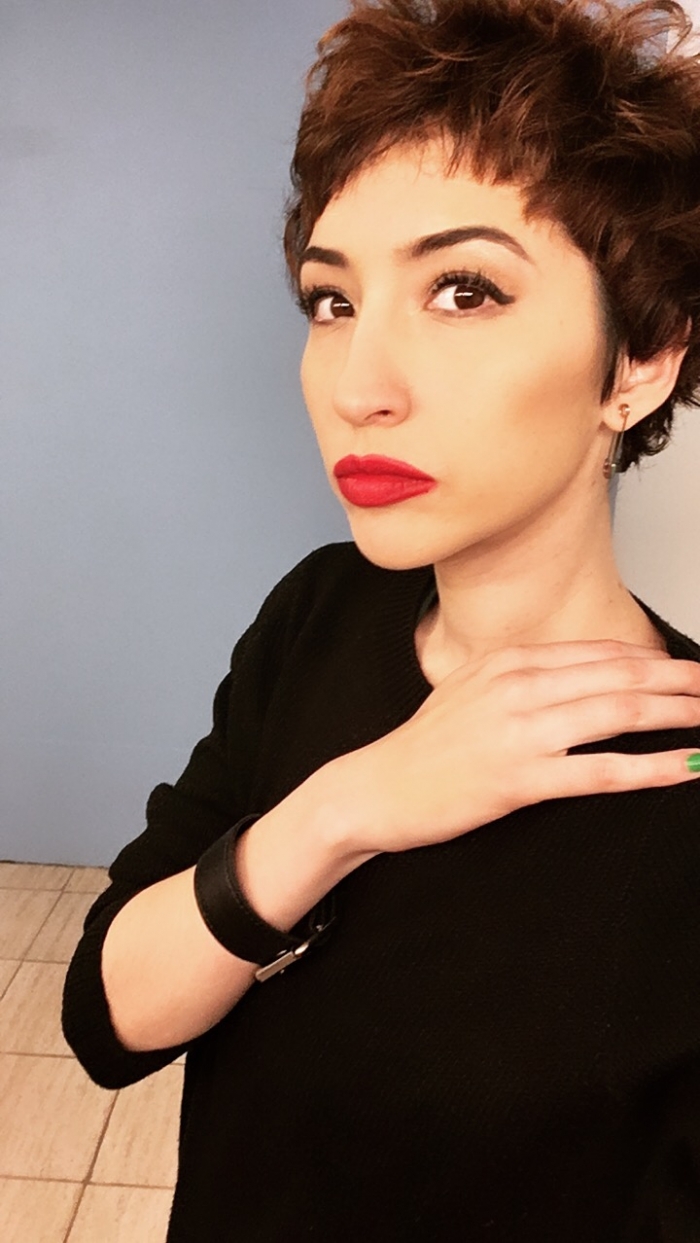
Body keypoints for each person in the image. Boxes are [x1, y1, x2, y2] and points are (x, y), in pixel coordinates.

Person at [63, 1, 700, 1238]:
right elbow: (107, 1017)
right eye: (331, 300)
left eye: (464, 290)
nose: (358, 385)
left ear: (641, 360)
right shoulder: (319, 611)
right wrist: (346, 807)